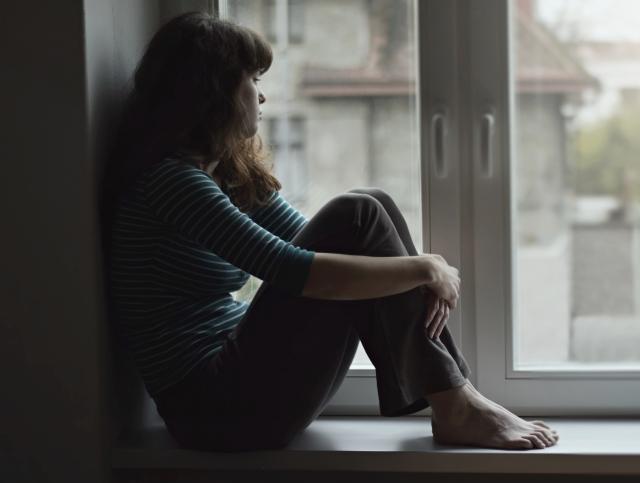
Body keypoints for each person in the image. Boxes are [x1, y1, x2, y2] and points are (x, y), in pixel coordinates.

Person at [103, 11, 558, 452]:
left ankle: (455, 398)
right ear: (215, 92)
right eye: (253, 81)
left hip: (241, 392)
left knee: (371, 206)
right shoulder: (171, 183)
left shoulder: (224, 175)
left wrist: (416, 270)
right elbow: (294, 269)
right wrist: (423, 268)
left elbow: (317, 242)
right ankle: (455, 402)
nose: (261, 98)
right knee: (358, 212)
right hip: (215, 410)